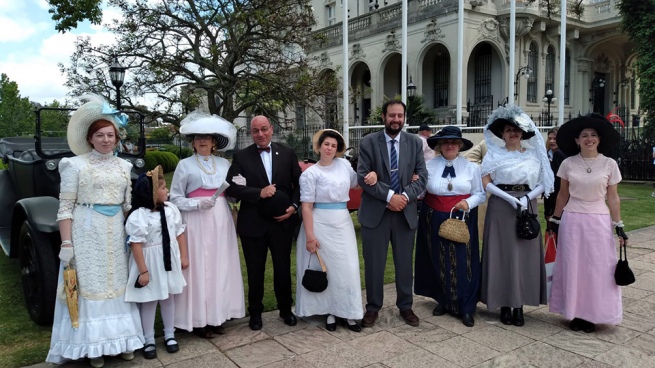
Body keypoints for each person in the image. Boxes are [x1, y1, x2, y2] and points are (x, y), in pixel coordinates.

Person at [47, 96, 144, 367]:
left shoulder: (124, 166)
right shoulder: (74, 165)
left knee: (116, 284)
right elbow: (65, 206)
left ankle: (122, 341)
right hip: (86, 228)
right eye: (100, 135)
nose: (105, 140)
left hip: (115, 231)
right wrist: (66, 242)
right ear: (90, 138)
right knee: (91, 285)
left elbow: (127, 207)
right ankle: (94, 347)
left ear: (116, 138)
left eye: (110, 135)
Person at [548, 114, 626, 333]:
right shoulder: (567, 163)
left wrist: (618, 223)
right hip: (572, 219)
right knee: (573, 266)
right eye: (584, 135)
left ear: (599, 139)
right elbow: (562, 195)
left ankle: (594, 313)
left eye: (593, 135)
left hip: (599, 221)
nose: (589, 139)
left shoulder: (609, 164)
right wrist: (555, 219)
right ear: (577, 141)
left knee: (598, 268)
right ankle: (575, 312)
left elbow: (613, 197)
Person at [170, 112, 245, 338]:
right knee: (199, 268)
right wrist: (195, 203)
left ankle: (218, 314)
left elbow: (231, 196)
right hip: (195, 222)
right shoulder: (184, 165)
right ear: (193, 142)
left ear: (214, 142)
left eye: (207, 137)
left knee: (220, 265)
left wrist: (240, 188)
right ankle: (198, 319)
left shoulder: (224, 163)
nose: (202, 141)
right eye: (198, 137)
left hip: (221, 219)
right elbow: (174, 198)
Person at [479, 105, 554, 327]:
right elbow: (486, 181)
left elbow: (545, 182)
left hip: (527, 204)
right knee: (502, 254)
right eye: (509, 129)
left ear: (523, 133)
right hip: (501, 206)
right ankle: (503, 303)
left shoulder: (534, 155)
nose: (513, 133)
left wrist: (526, 197)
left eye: (517, 129)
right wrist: (509, 198)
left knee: (523, 254)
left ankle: (519, 304)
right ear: (502, 133)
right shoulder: (493, 155)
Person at [357, 99, 428, 328]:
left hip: (404, 214)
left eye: (399, 115)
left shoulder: (415, 143)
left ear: (404, 117)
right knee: (374, 264)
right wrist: (390, 197)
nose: (396, 119)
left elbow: (422, 176)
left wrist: (404, 197)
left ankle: (406, 306)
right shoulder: (368, 142)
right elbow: (362, 177)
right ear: (383, 117)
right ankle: (372, 308)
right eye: (391, 115)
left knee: (404, 263)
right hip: (376, 213)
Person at [226, 115, 301, 330]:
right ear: (251, 133)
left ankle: (285, 310)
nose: (260, 134)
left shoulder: (287, 152)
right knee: (255, 271)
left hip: (282, 222)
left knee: (282, 268)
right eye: (255, 130)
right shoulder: (241, 156)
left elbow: (299, 184)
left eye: (264, 129)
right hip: (253, 223)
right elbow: (232, 187)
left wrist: (294, 207)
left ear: (271, 129)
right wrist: (259, 192)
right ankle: (255, 313)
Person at [295, 129, 373, 332]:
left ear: (338, 149)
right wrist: (310, 237)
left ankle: (347, 312)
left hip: (343, 223)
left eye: (334, 145)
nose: (330, 148)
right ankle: (329, 311)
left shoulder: (344, 165)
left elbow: (357, 184)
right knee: (327, 269)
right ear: (319, 146)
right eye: (326, 144)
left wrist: (372, 175)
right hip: (320, 224)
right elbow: (306, 207)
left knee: (347, 268)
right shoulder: (311, 173)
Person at [414, 126, 485, 327]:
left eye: (454, 142)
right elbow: (420, 193)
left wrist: (468, 203)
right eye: (445, 142)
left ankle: (466, 306)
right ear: (439, 146)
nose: (450, 145)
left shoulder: (471, 168)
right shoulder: (428, 166)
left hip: (462, 218)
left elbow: (480, 194)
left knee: (463, 262)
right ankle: (443, 300)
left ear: (460, 145)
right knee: (437, 259)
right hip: (432, 218)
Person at [125, 165, 189, 359]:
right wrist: (143, 271)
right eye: (162, 188)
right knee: (150, 300)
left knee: (168, 297)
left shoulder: (171, 209)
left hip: (169, 260)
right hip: (150, 262)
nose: (167, 191)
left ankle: (170, 334)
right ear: (150, 193)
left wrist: (184, 256)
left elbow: (179, 234)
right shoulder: (139, 216)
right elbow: (136, 245)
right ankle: (149, 339)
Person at [544, 127, 567, 223]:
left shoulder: (562, 155)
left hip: (558, 195)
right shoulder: (545, 155)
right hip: (547, 194)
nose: (552, 141)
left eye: (555, 139)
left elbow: (558, 182)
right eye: (550, 138)